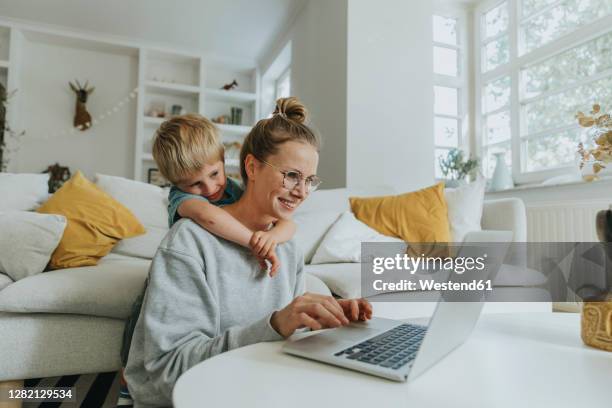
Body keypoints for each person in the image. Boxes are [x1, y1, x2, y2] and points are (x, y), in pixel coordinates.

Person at [124, 97, 372, 407]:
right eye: (292, 175)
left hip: (264, 388)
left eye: (310, 180)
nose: (302, 192)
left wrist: (325, 322)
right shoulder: (189, 241)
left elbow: (284, 340)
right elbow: (165, 374)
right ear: (252, 167)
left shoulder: (287, 245)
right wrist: (275, 324)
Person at [117, 113, 296, 406]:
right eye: (194, 184)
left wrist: (273, 238)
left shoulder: (235, 188)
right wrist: (254, 241)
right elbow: (210, 218)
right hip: (173, 275)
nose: (210, 189)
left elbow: (290, 224)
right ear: (175, 183)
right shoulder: (182, 199)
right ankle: (128, 376)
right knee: (142, 321)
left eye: (214, 174)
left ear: (224, 158)